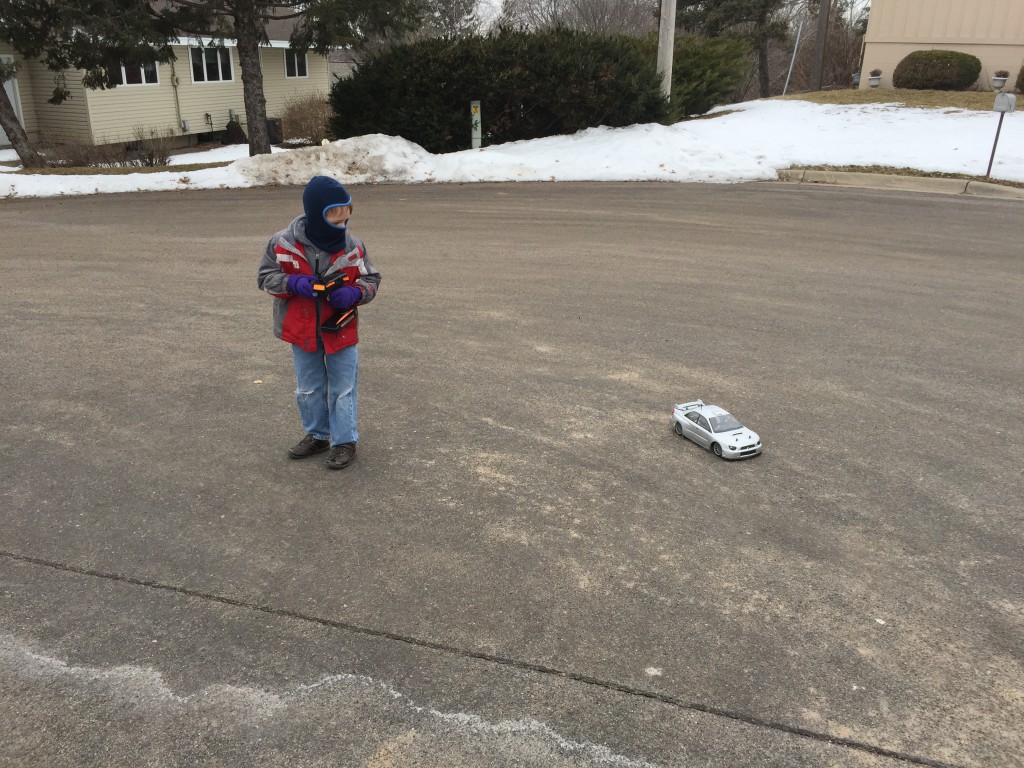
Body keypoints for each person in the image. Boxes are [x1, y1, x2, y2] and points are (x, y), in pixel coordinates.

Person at [257, 176, 381, 469]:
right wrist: (293, 283)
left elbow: (372, 279)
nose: (341, 229)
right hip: (301, 332)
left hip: (341, 329)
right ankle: (318, 434)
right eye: (335, 222)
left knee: (343, 388)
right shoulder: (282, 243)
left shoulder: (353, 246)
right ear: (315, 216)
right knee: (309, 388)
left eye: (345, 222)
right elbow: (265, 278)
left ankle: (344, 440)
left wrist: (355, 292)